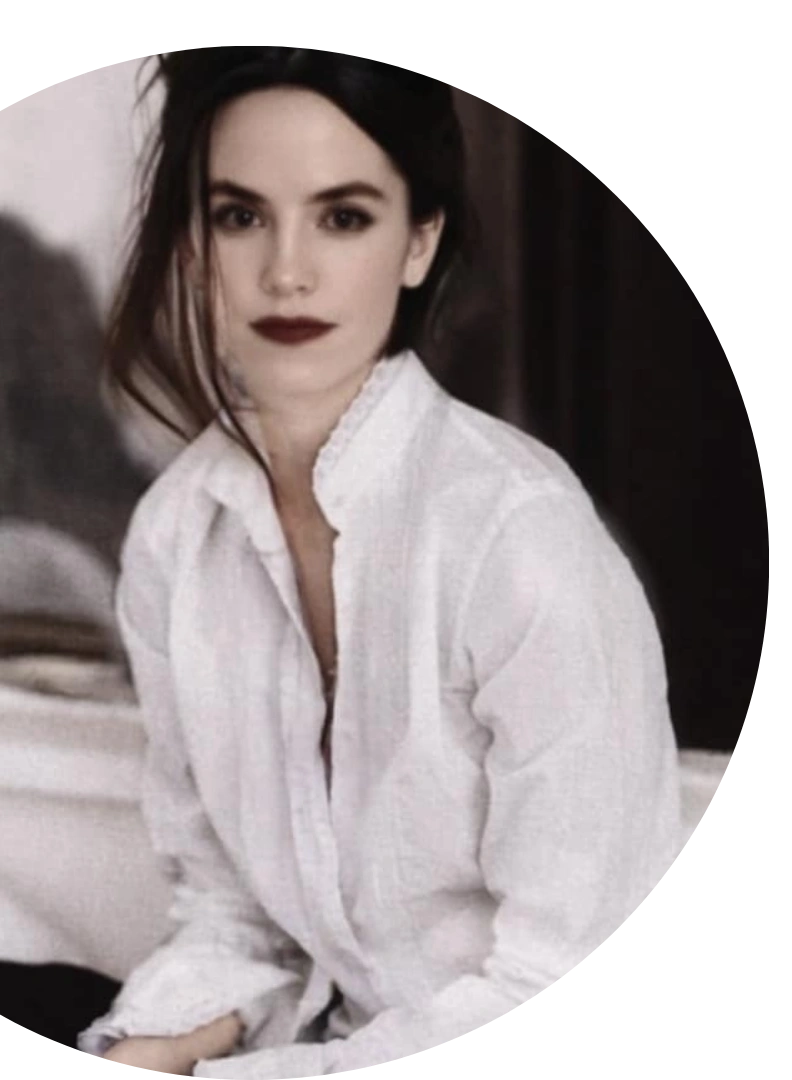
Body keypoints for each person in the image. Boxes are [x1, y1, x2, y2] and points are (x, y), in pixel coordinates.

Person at [72, 46, 682, 1077]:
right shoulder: (176, 539)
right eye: (240, 215)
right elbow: (234, 919)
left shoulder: (518, 540)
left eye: (344, 217)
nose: (287, 271)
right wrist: (154, 1052)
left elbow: (558, 972)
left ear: (419, 241)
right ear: (192, 245)